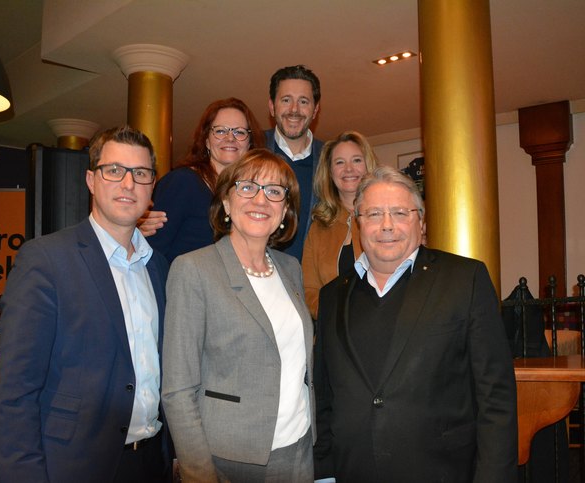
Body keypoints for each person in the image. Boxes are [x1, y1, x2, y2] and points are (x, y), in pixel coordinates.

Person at [314, 165, 518, 482]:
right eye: (373, 214)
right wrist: (324, 473)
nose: (386, 225)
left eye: (399, 213)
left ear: (420, 223)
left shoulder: (466, 280)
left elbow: (496, 398)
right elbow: (325, 398)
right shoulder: (331, 297)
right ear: (357, 224)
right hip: (351, 472)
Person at [0, 126, 173, 483]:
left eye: (141, 173)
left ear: (152, 186)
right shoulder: (45, 259)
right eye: (114, 170)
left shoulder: (159, 267)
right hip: (75, 466)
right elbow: (15, 392)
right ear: (91, 179)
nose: (128, 184)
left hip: (153, 463)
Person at [162, 148, 315, 482]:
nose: (261, 200)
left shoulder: (290, 269)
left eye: (275, 192)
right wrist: (199, 473)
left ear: (285, 210)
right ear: (227, 203)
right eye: (247, 187)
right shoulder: (193, 269)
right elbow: (177, 390)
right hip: (230, 459)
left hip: (299, 449)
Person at [143, 97, 264, 263]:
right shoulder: (182, 182)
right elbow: (150, 253)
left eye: (240, 132)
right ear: (207, 140)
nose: (230, 138)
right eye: (220, 131)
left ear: (250, 144)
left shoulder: (251, 195)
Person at [301, 130, 378, 319]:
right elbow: (309, 290)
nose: (349, 169)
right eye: (339, 162)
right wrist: (336, 315)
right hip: (334, 334)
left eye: (357, 160)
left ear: (368, 165)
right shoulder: (318, 228)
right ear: (330, 172)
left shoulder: (390, 217)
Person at [266, 65, 323, 261]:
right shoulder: (250, 150)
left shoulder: (331, 160)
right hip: (254, 279)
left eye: (303, 101)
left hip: (312, 285)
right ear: (272, 106)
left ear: (315, 110)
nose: (294, 110)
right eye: (286, 100)